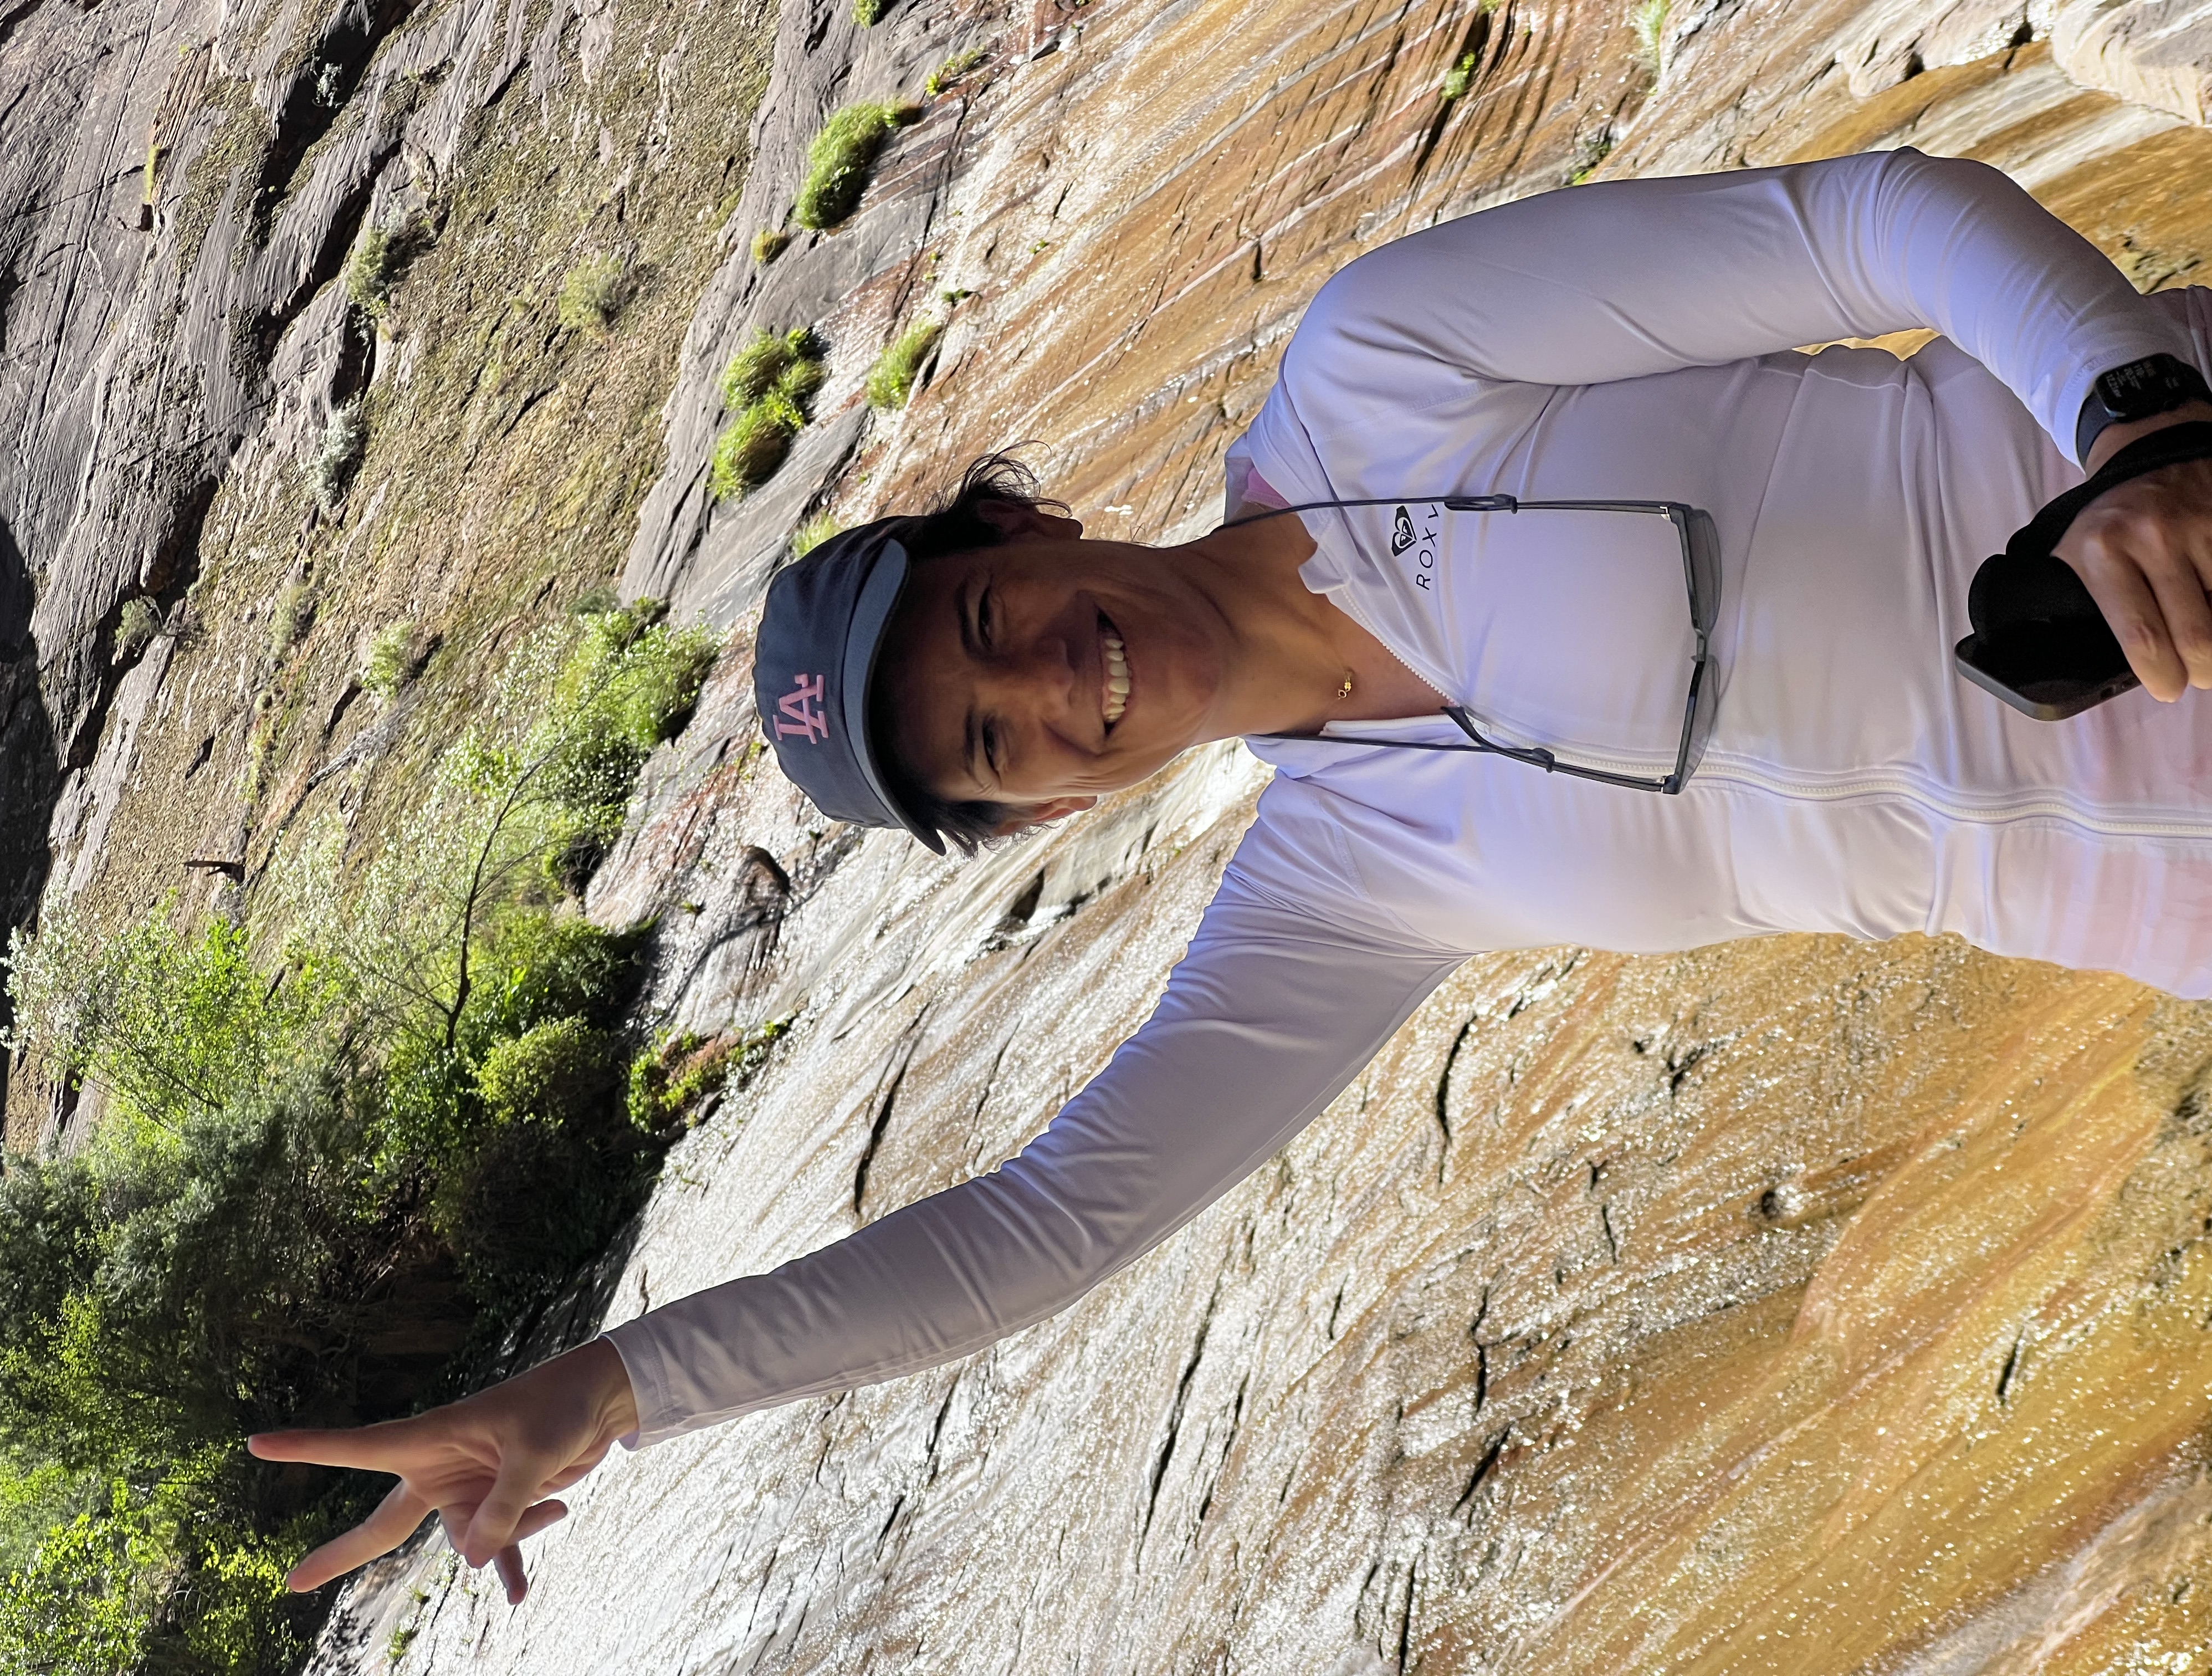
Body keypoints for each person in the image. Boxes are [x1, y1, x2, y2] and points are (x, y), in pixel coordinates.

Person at [251, 147, 2212, 1602]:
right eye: (993, 745)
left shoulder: (1386, 365)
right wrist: (604, 1385)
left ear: (1026, 523)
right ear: (1038, 817)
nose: (1048, 685)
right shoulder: (1346, 891)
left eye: (992, 615)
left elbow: (1870, 221)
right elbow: (1038, 1237)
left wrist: (2136, 423)